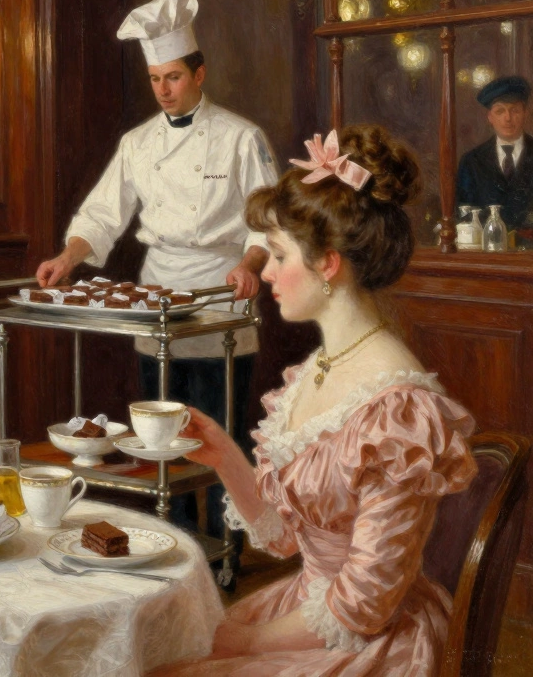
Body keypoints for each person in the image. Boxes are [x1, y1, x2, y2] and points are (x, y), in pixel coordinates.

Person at [156, 125, 476, 676]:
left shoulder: (397, 410)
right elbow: (284, 540)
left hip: (365, 642)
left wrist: (244, 641)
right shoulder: (315, 370)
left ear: (328, 263)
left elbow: (362, 606)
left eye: (278, 255)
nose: (269, 274)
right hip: (307, 609)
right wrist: (222, 455)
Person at [35, 0, 278, 546]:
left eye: (173, 77)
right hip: (158, 304)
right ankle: (174, 545)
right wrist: (69, 256)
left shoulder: (242, 137)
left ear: (200, 74)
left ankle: (226, 551)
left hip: (221, 301)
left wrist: (249, 264)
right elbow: (101, 213)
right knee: (158, 442)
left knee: (220, 440)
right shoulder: (137, 143)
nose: (164, 90)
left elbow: (270, 221)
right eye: (155, 79)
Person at [457, 75, 533, 233]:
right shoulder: (472, 161)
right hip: (487, 251)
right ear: (490, 117)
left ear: (525, 113)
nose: (508, 118)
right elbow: (463, 212)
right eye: (500, 111)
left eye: (515, 110)